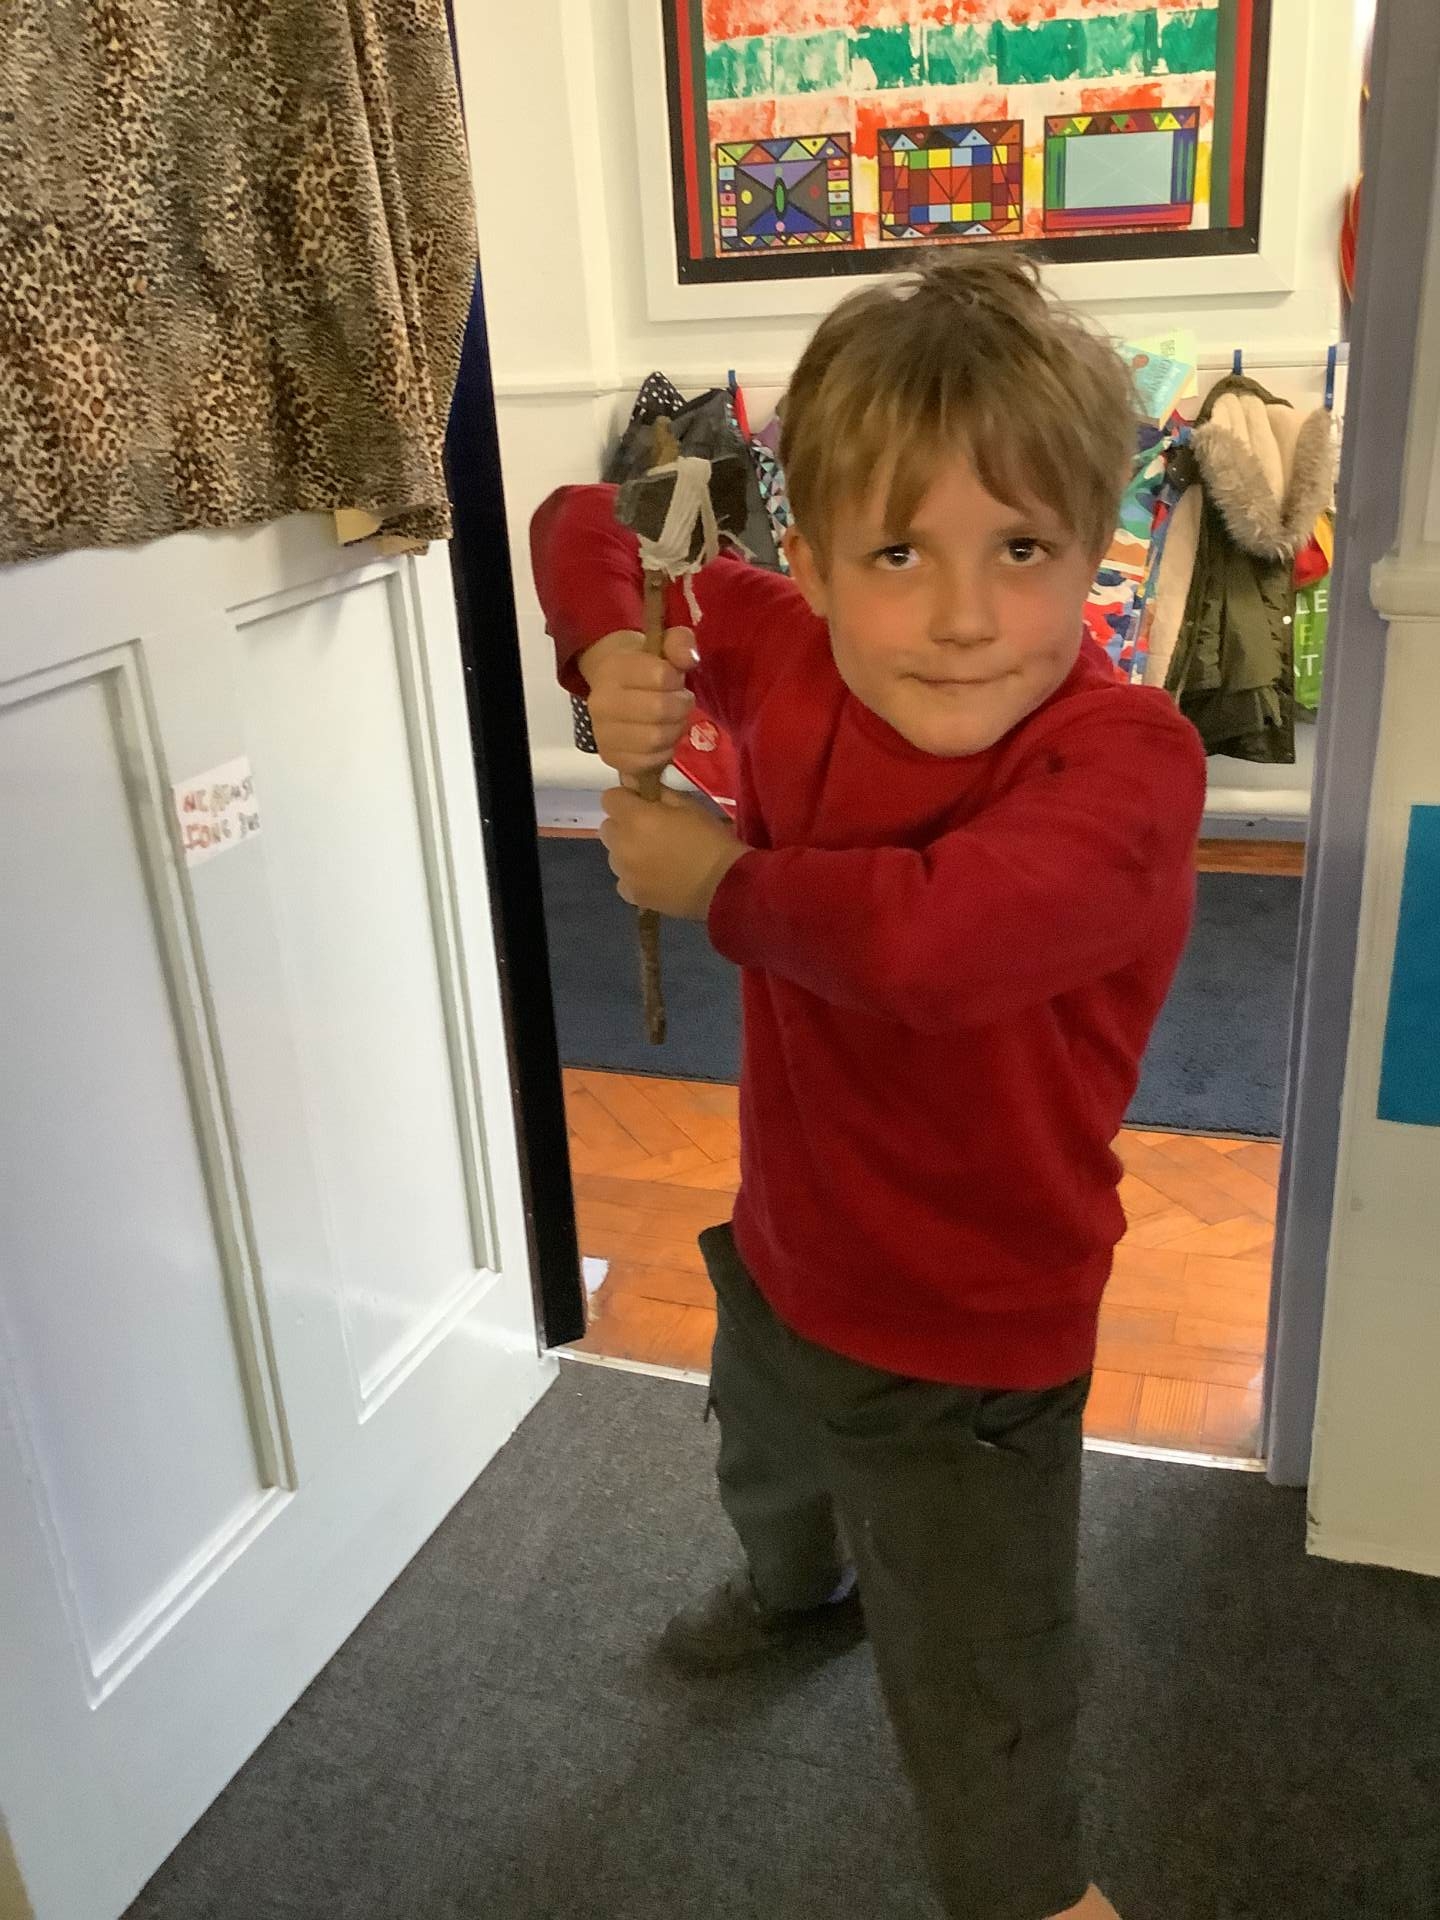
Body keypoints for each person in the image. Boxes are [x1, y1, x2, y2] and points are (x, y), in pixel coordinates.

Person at [530, 251, 1207, 1920]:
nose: (964, 616)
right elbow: (580, 516)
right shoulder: (783, 652)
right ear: (813, 563)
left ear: (1092, 551)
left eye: (1021, 549)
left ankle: (1036, 1894)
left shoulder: (1127, 764)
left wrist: (721, 884)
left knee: (981, 1678)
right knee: (769, 1469)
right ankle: (795, 1591)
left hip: (970, 1332)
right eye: (899, 552)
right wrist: (614, 644)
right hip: (786, 1243)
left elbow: (933, 948)